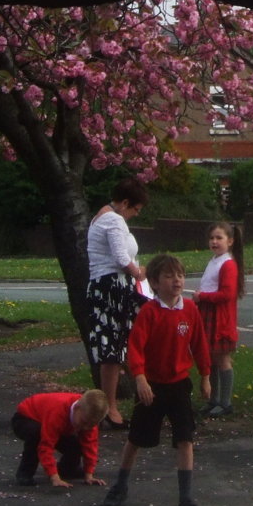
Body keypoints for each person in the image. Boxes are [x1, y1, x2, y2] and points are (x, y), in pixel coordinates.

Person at [99, 253, 211, 506]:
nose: (176, 281)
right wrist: (139, 377)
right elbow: (135, 347)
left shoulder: (190, 310)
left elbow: (199, 345)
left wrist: (205, 376)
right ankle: (120, 485)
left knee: (185, 438)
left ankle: (186, 499)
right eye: (169, 276)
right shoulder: (150, 312)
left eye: (180, 275)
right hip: (152, 386)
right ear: (155, 283)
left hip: (179, 385)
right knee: (137, 439)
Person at [84, 178, 148, 429]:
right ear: (124, 203)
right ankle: (110, 407)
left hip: (107, 286)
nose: (134, 215)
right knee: (112, 349)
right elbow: (122, 258)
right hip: (112, 287)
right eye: (135, 209)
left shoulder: (103, 216)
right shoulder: (114, 219)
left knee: (114, 347)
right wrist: (139, 273)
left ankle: (109, 405)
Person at [10, 388, 110, 488]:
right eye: (84, 422)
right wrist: (54, 477)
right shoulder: (58, 411)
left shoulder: (87, 417)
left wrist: (89, 475)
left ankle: (67, 469)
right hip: (26, 417)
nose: (86, 427)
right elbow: (46, 446)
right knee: (37, 435)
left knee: (76, 444)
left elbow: (90, 446)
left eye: (91, 425)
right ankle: (25, 472)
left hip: (55, 424)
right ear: (76, 408)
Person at [194, 221, 244, 418]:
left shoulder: (228, 264)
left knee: (222, 359)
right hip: (208, 313)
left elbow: (226, 294)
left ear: (230, 241)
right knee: (211, 359)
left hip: (220, 318)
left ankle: (225, 402)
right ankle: (213, 399)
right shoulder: (214, 260)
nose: (214, 241)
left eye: (219, 238)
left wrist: (202, 297)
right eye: (212, 238)